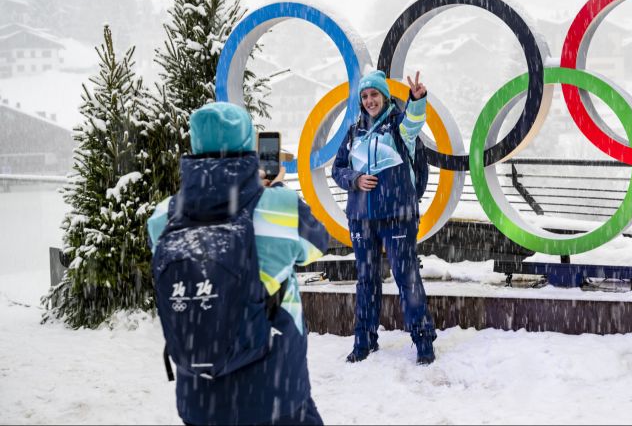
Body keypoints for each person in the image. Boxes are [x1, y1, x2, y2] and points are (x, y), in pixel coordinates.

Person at [147, 102, 330, 425]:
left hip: (200, 400)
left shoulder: (164, 215)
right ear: (248, 144)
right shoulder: (280, 207)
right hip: (275, 393)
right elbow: (317, 245)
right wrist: (274, 190)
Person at [332, 69, 437, 365]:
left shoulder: (398, 127)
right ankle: (364, 341)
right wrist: (355, 179)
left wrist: (416, 101)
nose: (369, 100)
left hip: (397, 216)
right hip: (362, 218)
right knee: (366, 280)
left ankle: (423, 341)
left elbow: (415, 123)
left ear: (384, 96)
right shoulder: (354, 132)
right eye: (364, 96)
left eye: (374, 94)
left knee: (406, 277)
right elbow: (338, 169)